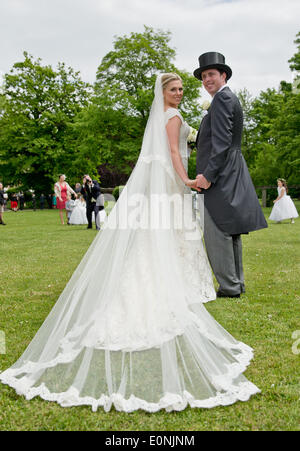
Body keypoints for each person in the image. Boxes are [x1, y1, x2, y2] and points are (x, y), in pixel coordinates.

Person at [0, 74, 260, 412]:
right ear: (163, 93)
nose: (179, 94)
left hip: (166, 187)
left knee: (162, 241)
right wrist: (185, 180)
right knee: (168, 240)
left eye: (182, 89)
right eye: (173, 89)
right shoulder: (172, 117)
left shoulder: (166, 117)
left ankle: (171, 284)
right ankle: (167, 288)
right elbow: (171, 153)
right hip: (172, 185)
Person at [194, 52, 268, 298]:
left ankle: (229, 286)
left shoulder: (222, 99)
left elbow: (223, 142)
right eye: (204, 76)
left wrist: (208, 175)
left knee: (217, 229)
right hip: (230, 169)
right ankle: (236, 283)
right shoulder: (224, 98)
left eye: (211, 74)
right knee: (230, 229)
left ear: (223, 75)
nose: (207, 80)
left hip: (221, 173)